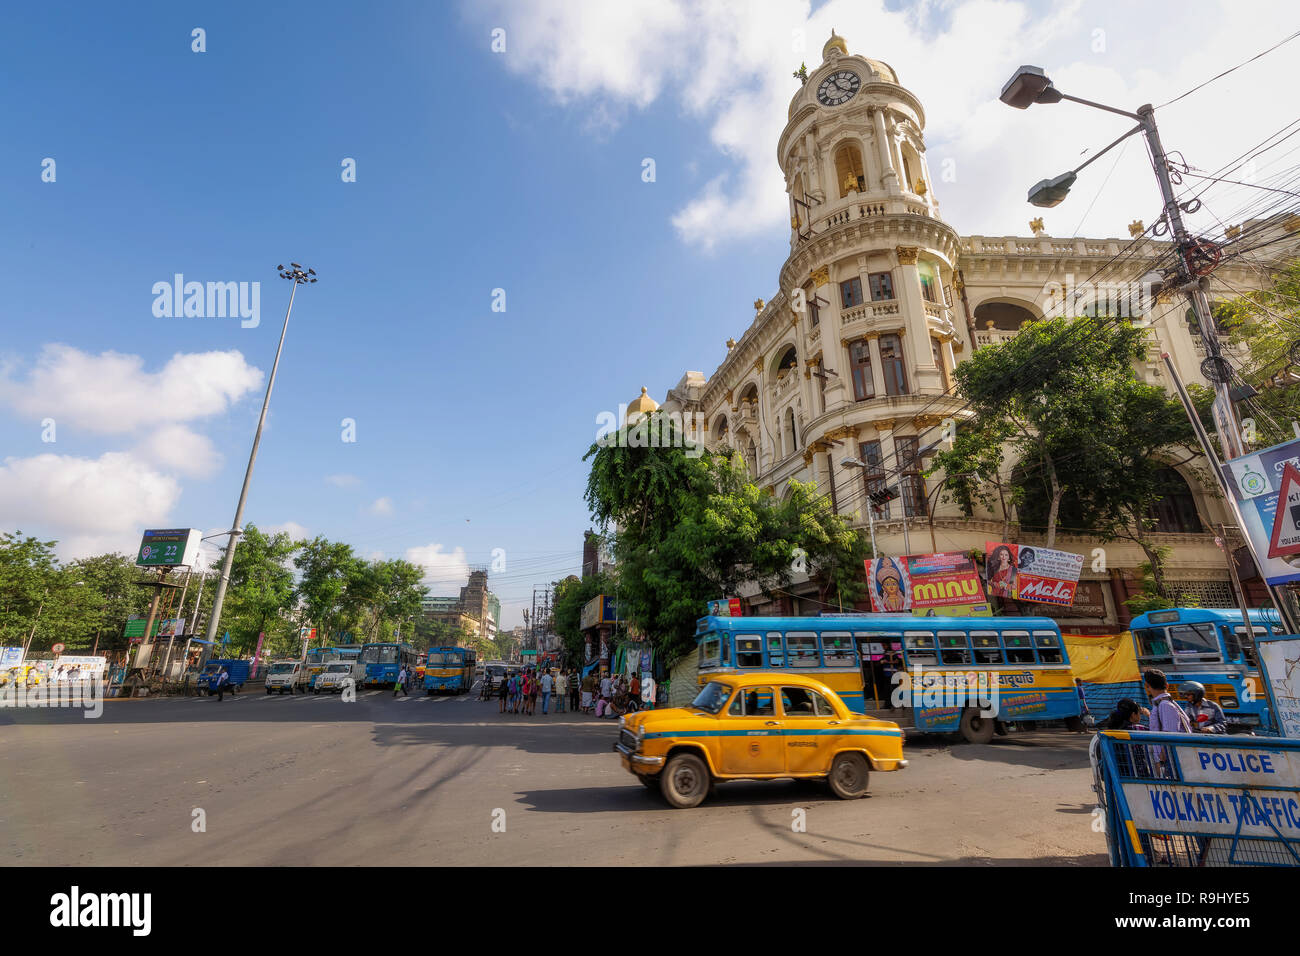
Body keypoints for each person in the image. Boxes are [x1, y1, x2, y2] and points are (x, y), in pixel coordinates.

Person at [1144, 668, 1192, 776]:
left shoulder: (1165, 705)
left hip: (1170, 764)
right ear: (1167, 685)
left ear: (1147, 686)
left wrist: (1161, 762)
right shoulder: (1165, 704)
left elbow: (1170, 736)